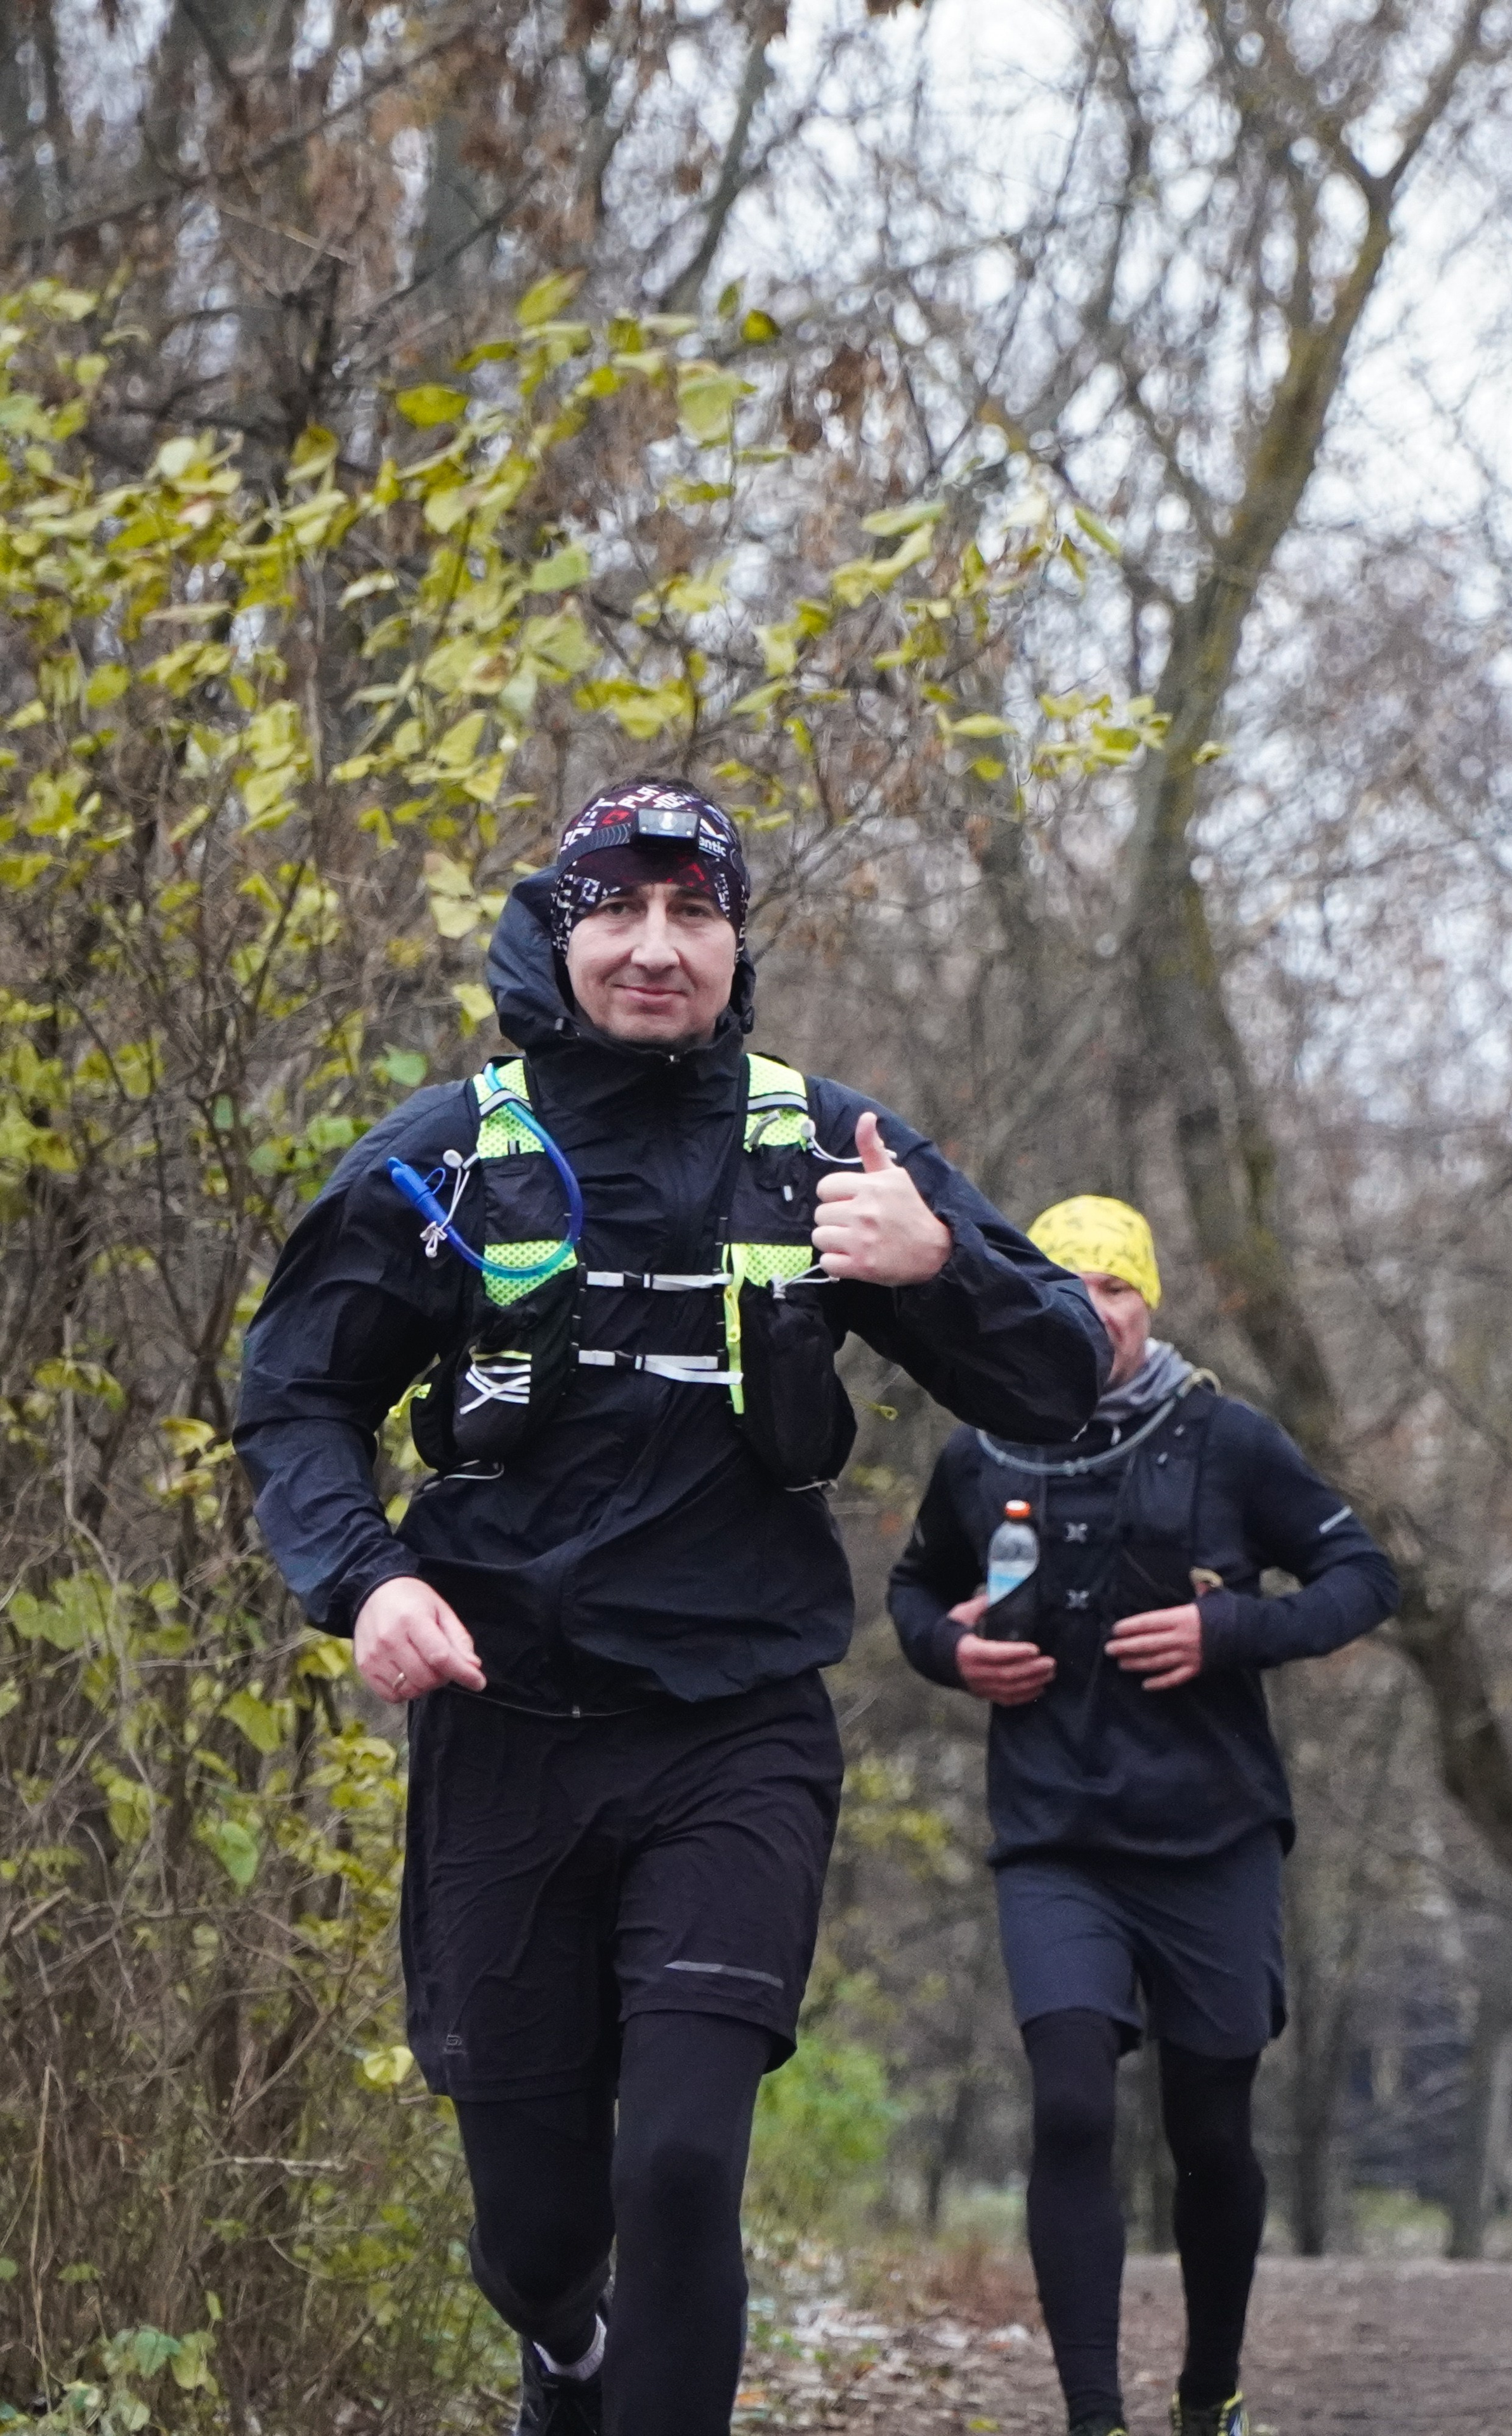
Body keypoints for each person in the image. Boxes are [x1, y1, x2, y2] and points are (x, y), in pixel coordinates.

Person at [234, 777, 1108, 2436]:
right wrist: (370, 1579)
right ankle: (562, 2347)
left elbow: (1066, 1386)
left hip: (735, 1736)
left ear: (736, 939)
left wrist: (945, 1272)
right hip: (506, 1738)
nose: (655, 949)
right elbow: (291, 1399)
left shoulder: (828, 1150)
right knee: (541, 2231)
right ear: (560, 931)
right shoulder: (447, 1155)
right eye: (618, 912)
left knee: (688, 2163)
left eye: (693, 913)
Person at [887, 1194, 1398, 2436]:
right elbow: (913, 1593)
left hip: (1210, 1835)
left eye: (1115, 1289)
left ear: (1146, 1304)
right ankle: (1090, 2419)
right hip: (1054, 1840)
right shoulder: (980, 1450)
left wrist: (1229, 1629)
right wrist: (955, 1657)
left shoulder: (1222, 1438)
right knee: (1067, 2105)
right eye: (1067, 1289)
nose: (1092, 1311)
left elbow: (1361, 1577)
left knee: (1207, 2131)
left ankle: (1206, 2391)